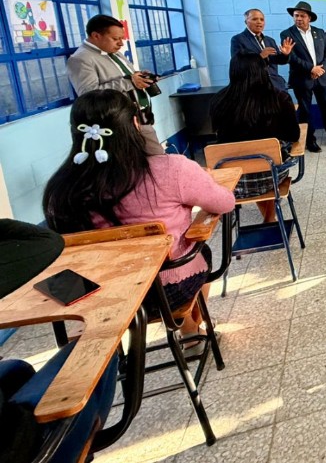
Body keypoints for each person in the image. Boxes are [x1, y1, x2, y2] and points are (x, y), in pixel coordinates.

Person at [43, 90, 235, 333]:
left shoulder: (61, 189)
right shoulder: (171, 169)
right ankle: (190, 331)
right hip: (168, 290)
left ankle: (187, 331)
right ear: (135, 123)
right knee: (200, 251)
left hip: (105, 298)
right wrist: (204, 182)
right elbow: (225, 203)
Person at [0, 221, 120, 463]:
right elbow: (47, 243)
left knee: (17, 372)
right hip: (20, 450)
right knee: (101, 350)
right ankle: (80, 449)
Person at [211, 52, 300, 222]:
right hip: (270, 177)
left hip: (232, 181)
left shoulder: (218, 100)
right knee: (268, 160)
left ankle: (263, 218)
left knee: (257, 160)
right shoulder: (279, 98)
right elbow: (293, 135)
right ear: (263, 70)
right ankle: (269, 219)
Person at [67, 14, 164, 155]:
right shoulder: (81, 59)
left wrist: (139, 76)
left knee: (158, 159)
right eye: (115, 39)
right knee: (137, 163)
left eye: (121, 39)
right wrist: (129, 82)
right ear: (96, 36)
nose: (120, 44)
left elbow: (124, 77)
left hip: (140, 117)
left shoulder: (114, 53)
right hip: (119, 124)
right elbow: (88, 94)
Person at [280, 1, 326, 151]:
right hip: (302, 79)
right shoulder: (287, 34)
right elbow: (291, 57)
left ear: (309, 18)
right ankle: (309, 140)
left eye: (302, 16)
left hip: (322, 78)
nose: (298, 18)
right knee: (305, 111)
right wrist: (311, 68)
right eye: (296, 15)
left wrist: (321, 69)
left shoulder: (319, 32)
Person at [229, 8, 295, 92]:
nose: (259, 22)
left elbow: (278, 61)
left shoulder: (269, 40)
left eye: (262, 19)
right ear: (246, 22)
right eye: (254, 19)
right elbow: (237, 65)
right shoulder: (238, 39)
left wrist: (285, 54)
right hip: (253, 86)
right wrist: (260, 57)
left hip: (275, 84)